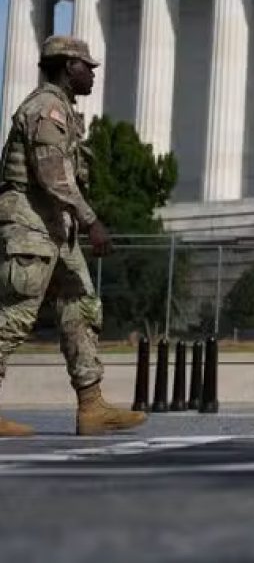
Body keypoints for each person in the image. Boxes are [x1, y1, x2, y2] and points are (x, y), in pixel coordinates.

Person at [0, 36, 147, 436]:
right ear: (68, 67)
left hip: (54, 231)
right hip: (31, 228)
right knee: (14, 317)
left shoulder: (62, 109)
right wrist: (90, 220)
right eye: (87, 67)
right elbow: (51, 176)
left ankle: (91, 406)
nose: (93, 74)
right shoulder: (46, 109)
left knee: (80, 307)